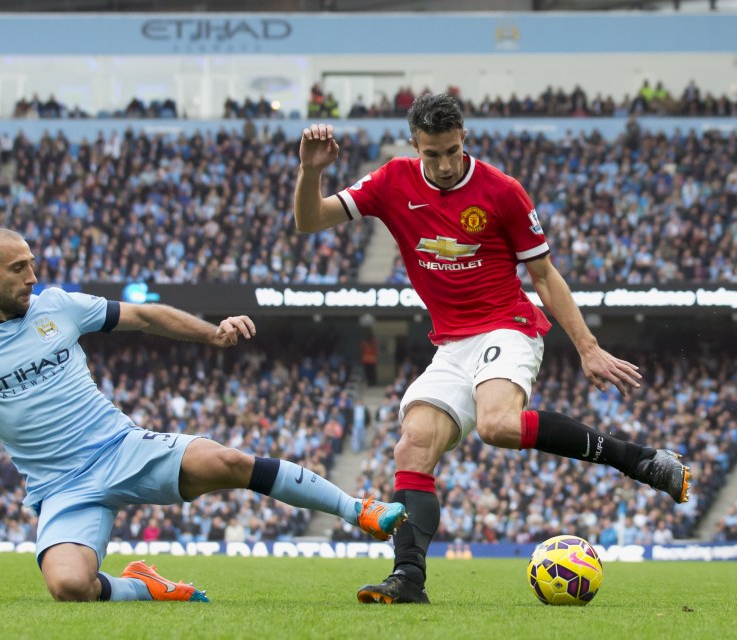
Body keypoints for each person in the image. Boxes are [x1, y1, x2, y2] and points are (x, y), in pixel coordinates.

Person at [0, 227, 406, 604]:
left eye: (33, 263)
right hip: (61, 489)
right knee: (68, 587)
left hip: (121, 447)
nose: (33, 276)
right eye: (18, 269)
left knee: (230, 460)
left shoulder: (58, 306)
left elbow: (144, 315)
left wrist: (213, 334)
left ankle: (360, 511)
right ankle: (146, 586)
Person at [292, 93, 691, 605]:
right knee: (412, 444)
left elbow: (544, 275)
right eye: (431, 154)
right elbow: (310, 221)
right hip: (452, 344)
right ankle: (409, 579)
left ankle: (637, 460)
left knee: (497, 425)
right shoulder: (391, 179)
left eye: (452, 151)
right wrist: (310, 173)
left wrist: (588, 348)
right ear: (415, 145)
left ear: (465, 140)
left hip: (509, 325)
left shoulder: (502, 191)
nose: (442, 164)